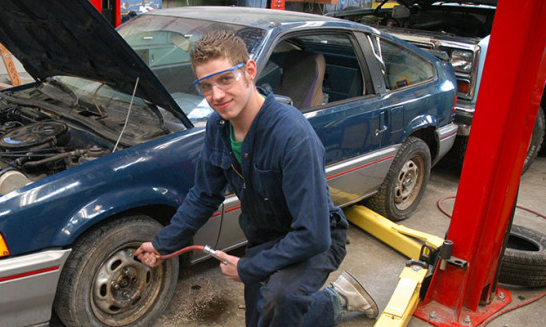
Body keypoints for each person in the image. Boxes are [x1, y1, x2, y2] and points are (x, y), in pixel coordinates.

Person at [134, 30, 379, 326]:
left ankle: (328, 301)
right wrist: (163, 244)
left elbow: (313, 234)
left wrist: (251, 267)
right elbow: (204, 195)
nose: (217, 95)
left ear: (249, 71)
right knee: (260, 315)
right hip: (267, 237)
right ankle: (335, 300)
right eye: (206, 86)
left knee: (280, 299)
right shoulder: (218, 127)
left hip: (316, 240)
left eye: (225, 79)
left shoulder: (292, 135)